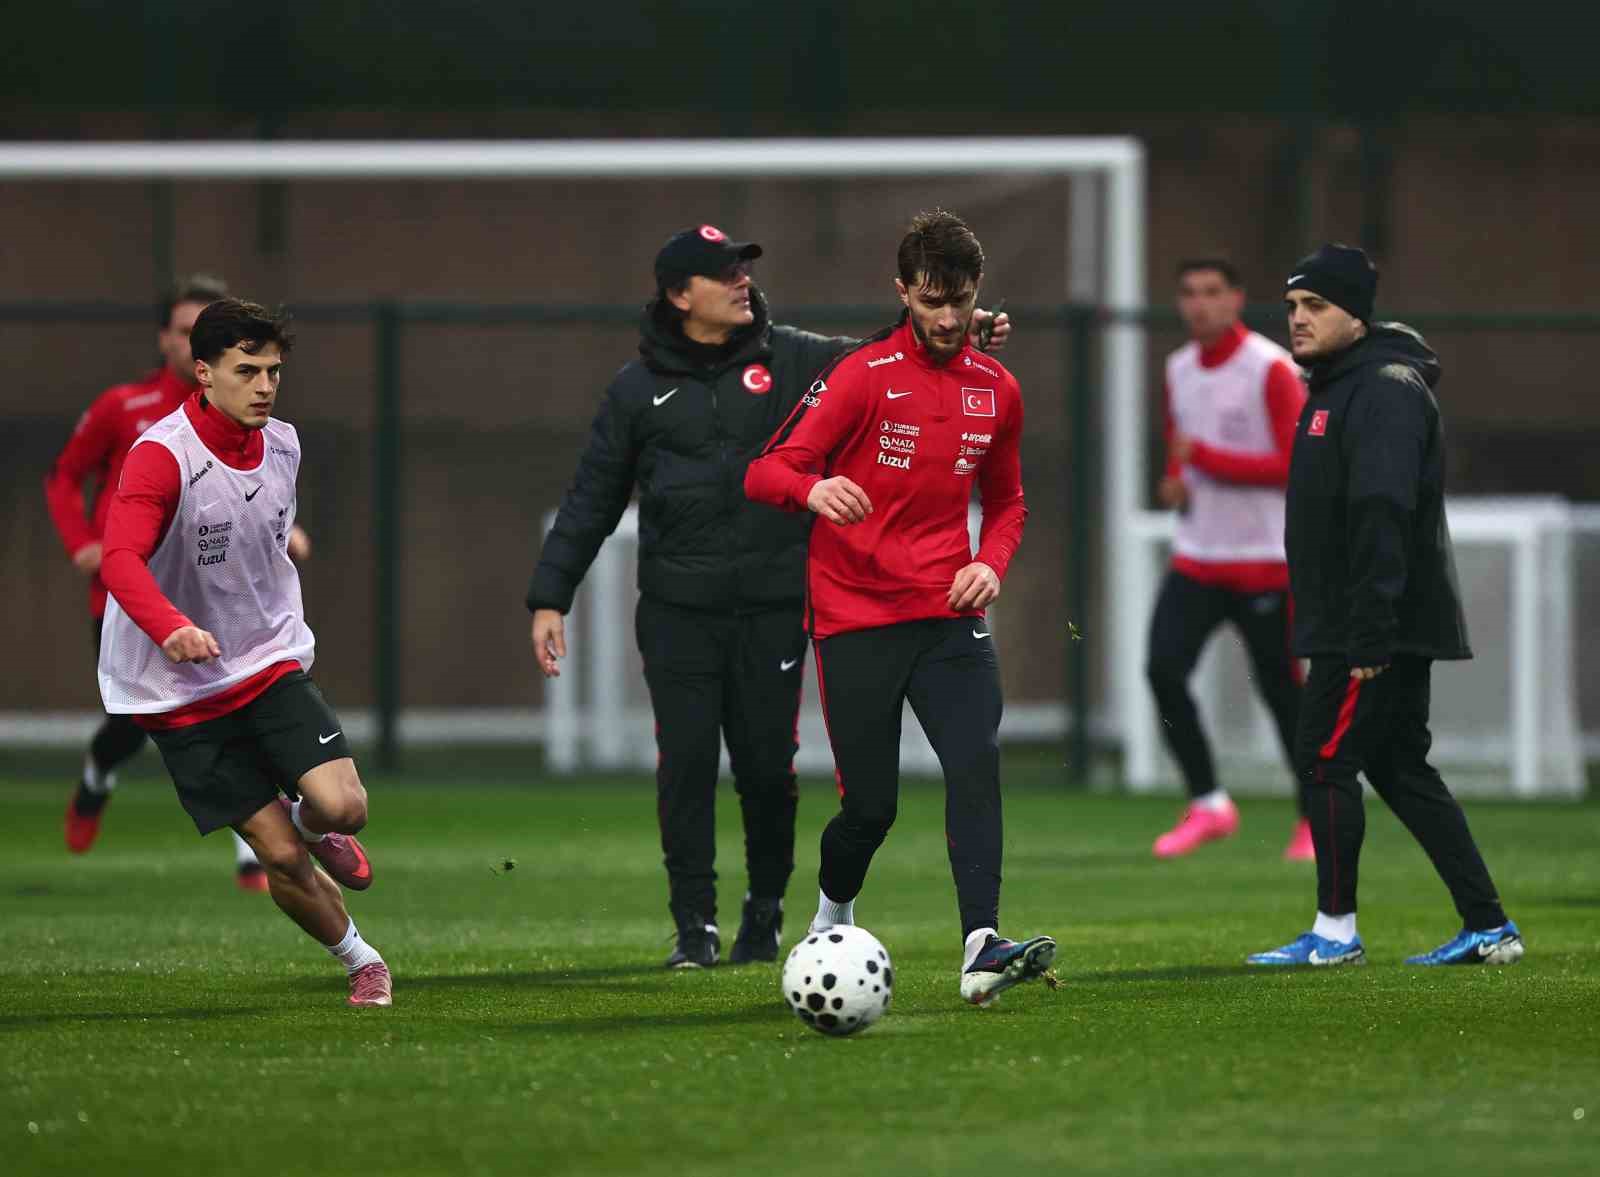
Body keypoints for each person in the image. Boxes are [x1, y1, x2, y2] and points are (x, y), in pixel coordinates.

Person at [526, 223, 1010, 969]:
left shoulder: (790, 355)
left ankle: (774, 916)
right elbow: (593, 496)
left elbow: (881, 356)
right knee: (689, 764)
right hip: (682, 608)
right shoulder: (636, 389)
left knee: (767, 768)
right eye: (725, 273)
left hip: (776, 601)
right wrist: (550, 593)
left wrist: (957, 326)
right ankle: (695, 926)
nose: (743, 281)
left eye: (746, 267)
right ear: (681, 295)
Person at [745, 209, 1055, 1006]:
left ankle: (982, 944)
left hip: (948, 615)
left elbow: (1011, 500)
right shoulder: (862, 375)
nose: (948, 319)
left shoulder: (998, 387)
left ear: (977, 292)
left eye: (959, 301)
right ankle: (832, 910)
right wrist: (812, 485)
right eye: (930, 301)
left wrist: (990, 561)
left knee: (976, 763)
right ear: (903, 293)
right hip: (855, 619)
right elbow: (766, 471)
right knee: (870, 808)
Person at [97, 298, 391, 1006]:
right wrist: (170, 625)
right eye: (246, 370)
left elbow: (246, 523)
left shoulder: (284, 444)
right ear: (203, 372)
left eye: (273, 371)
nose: (263, 385)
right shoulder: (162, 457)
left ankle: (311, 822)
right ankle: (363, 961)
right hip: (178, 689)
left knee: (344, 808)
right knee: (280, 856)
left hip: (265, 660)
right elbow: (119, 560)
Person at [1247, 244, 1521, 967]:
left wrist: (1370, 629)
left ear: (1356, 316)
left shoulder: (1384, 389)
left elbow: (1382, 510)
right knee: (1399, 766)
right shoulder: (1338, 384)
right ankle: (1489, 925)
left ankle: (1335, 933)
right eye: (1293, 306)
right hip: (1362, 618)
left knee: (1325, 760)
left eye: (1316, 307)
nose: (1298, 320)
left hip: (1369, 625)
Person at [46, 274, 309, 888]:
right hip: (139, 595)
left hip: (223, 599)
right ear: (171, 342)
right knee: (131, 724)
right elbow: (64, 477)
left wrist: (285, 534)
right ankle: (97, 774)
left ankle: (259, 851)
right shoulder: (127, 411)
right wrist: (83, 542)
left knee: (250, 701)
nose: (261, 381)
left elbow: (251, 489)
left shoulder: (256, 416)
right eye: (185, 329)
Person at [1147, 259, 1312, 861]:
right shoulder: (1178, 367)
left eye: (1212, 293)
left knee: (1281, 693)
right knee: (1162, 670)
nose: (1199, 304)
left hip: (1263, 559)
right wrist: (1175, 479)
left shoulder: (1270, 367)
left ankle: (1314, 817)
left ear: (1237, 298)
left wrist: (1206, 462)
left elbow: (1297, 464)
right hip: (1198, 556)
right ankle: (1210, 802)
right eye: (1188, 293)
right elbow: (1178, 443)